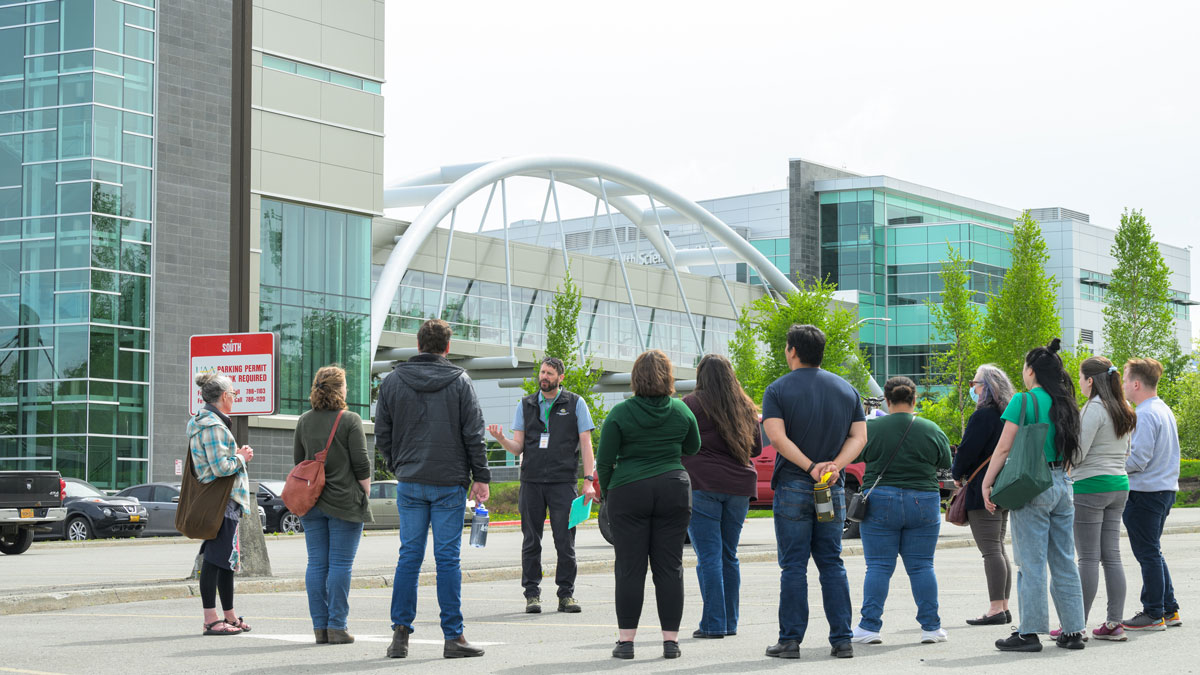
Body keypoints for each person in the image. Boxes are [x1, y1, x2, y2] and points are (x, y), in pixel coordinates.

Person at [375, 319, 491, 659]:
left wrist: (398, 465)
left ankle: (400, 635)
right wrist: (480, 477)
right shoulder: (460, 382)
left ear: (418, 343)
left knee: (409, 557)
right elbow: (474, 433)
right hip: (448, 481)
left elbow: (382, 432)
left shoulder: (393, 381)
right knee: (447, 560)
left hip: (410, 481)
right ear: (447, 347)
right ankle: (453, 637)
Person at [761, 324, 867, 660]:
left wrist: (810, 467)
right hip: (829, 490)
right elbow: (860, 438)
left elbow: (777, 438)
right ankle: (842, 639)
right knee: (831, 562)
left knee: (793, 565)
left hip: (794, 484)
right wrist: (833, 466)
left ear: (791, 350)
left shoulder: (777, 390)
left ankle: (790, 640)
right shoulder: (846, 390)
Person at [982, 338, 1086, 652]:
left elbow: (1003, 448)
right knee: (1065, 560)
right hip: (1062, 484)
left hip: (1032, 484)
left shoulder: (1023, 401)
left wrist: (987, 484)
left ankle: (1029, 633)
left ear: (1031, 371)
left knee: (1031, 563)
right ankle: (1072, 631)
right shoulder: (1067, 403)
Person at [596, 349, 700, 660]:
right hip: (673, 488)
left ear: (635, 379)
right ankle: (671, 642)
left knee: (630, 568)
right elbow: (693, 447)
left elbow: (604, 461)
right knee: (670, 567)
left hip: (629, 491)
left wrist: (607, 493)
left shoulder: (620, 413)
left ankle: (626, 642)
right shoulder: (681, 411)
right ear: (669, 378)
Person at [487, 356, 598, 614]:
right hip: (532, 482)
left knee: (565, 542)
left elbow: (586, 444)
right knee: (531, 541)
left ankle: (566, 595)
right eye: (542, 372)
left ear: (561, 377)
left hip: (563, 483)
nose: (544, 377)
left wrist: (589, 480)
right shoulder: (525, 405)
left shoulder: (575, 404)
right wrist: (501, 438)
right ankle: (532, 595)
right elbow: (517, 447)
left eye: (549, 373)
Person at [850, 376, 952, 646]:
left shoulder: (872, 428)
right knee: (921, 566)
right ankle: (931, 627)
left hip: (880, 500)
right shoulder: (931, 429)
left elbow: (856, 455)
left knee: (879, 567)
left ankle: (869, 627)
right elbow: (945, 462)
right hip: (924, 501)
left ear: (886, 399)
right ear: (914, 399)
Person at [681, 354, 763, 639]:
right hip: (739, 487)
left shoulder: (690, 405)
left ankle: (713, 623)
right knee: (729, 555)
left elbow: (681, 443)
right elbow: (755, 451)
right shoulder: (745, 406)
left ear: (701, 375)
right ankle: (730, 622)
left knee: (709, 557)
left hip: (703, 484)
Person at [294, 365, 373, 645]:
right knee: (341, 564)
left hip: (312, 503)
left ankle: (320, 628)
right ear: (340, 389)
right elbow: (361, 463)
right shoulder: (350, 419)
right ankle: (337, 626)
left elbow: (299, 462)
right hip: (344, 502)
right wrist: (365, 491)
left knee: (316, 564)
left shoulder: (304, 420)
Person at [1065, 356, 1135, 641]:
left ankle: (1075, 624)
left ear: (1090, 380)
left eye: (1081, 377)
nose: (1079, 382)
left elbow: (1078, 455)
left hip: (1091, 486)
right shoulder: (1124, 408)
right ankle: (1114, 622)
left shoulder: (1093, 409)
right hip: (1119, 484)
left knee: (1089, 558)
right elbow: (1127, 451)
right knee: (1112, 556)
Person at [188, 371, 255, 636]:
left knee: (226, 560)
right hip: (220, 501)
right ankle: (210, 619)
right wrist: (241, 457)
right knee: (215, 560)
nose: (235, 398)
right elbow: (220, 467)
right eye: (234, 394)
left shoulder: (205, 423)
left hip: (221, 501)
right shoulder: (214, 427)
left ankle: (228, 615)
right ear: (225, 396)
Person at [1120, 357, 1183, 631]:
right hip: (1163, 490)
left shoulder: (1145, 413)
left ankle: (1153, 613)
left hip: (1146, 493)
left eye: (1124, 380)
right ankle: (1169, 609)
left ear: (1136, 383)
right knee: (1153, 552)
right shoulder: (1162, 409)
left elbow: (1138, 460)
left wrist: (1110, 464)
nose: (1122, 385)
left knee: (1147, 554)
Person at [952, 364, 1015, 626]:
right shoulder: (1007, 414)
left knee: (991, 551)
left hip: (982, 487)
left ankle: (995, 609)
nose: (972, 388)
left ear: (986, 386)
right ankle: (1003, 606)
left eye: (974, 383)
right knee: (999, 548)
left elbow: (967, 450)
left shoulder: (982, 416)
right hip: (1006, 486)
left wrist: (957, 472)